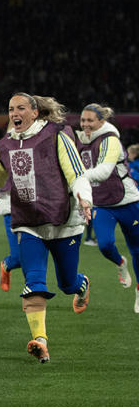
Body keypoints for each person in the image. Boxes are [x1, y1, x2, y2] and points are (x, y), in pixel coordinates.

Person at [0, 93, 92, 363]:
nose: (15, 113)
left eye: (21, 108)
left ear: (35, 112)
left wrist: (85, 198)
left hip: (64, 221)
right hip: (27, 222)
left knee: (67, 283)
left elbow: (76, 173)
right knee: (34, 280)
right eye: (11, 108)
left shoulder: (57, 135)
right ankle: (41, 340)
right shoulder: (5, 145)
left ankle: (82, 285)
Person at [76, 103, 139, 311]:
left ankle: (138, 291)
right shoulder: (78, 141)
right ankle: (121, 263)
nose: (85, 124)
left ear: (101, 122)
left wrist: (75, 176)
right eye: (83, 120)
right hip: (102, 203)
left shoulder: (110, 140)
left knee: (137, 250)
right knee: (104, 244)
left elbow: (103, 172)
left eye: (90, 121)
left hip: (128, 201)